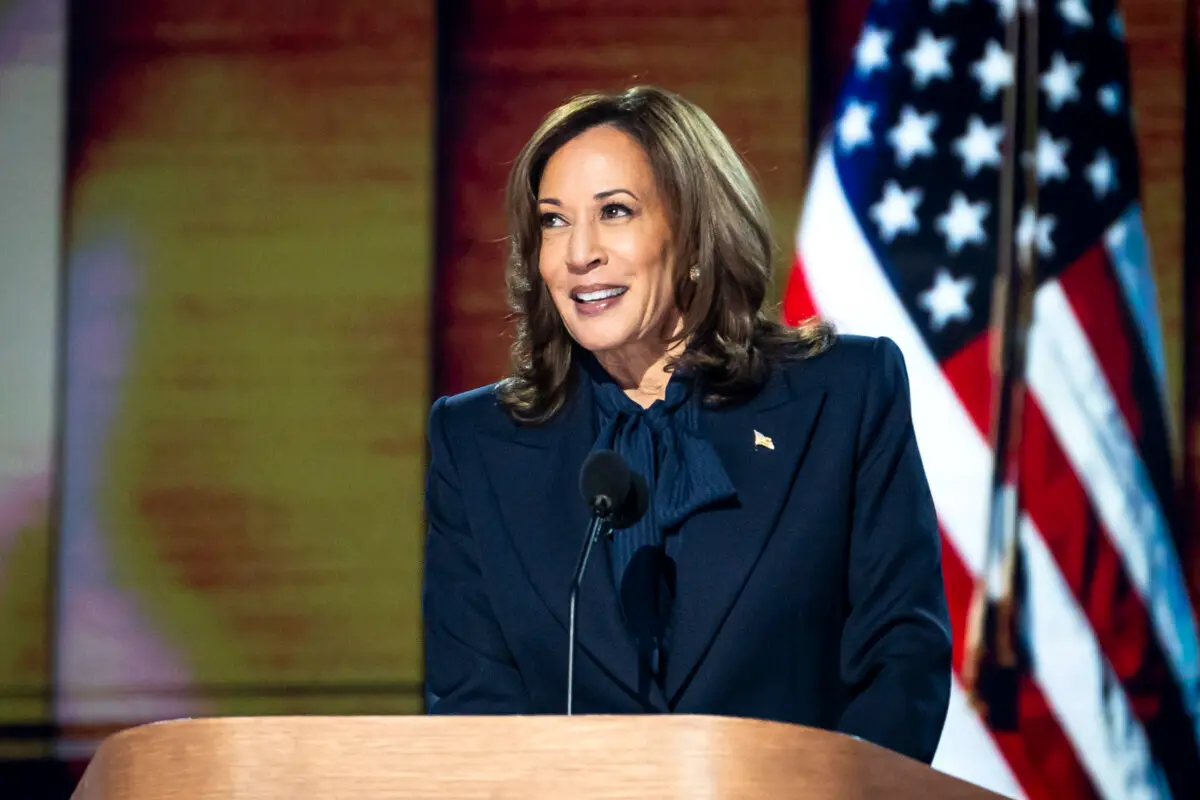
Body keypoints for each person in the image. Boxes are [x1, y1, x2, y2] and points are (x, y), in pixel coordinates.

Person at [421, 85, 951, 764]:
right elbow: (474, 712)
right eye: (553, 222)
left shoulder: (843, 395)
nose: (579, 253)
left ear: (697, 236)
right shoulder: (477, 444)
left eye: (614, 212)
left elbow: (900, 661)